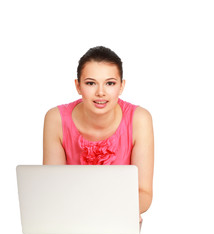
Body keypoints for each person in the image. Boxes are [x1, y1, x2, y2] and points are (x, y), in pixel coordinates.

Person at [43, 46, 154, 223]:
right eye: (90, 83)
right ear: (78, 86)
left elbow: (144, 193)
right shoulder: (55, 119)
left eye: (110, 83)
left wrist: (110, 212)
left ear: (121, 86)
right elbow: (52, 188)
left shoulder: (139, 119)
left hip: (118, 218)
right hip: (71, 218)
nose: (100, 92)